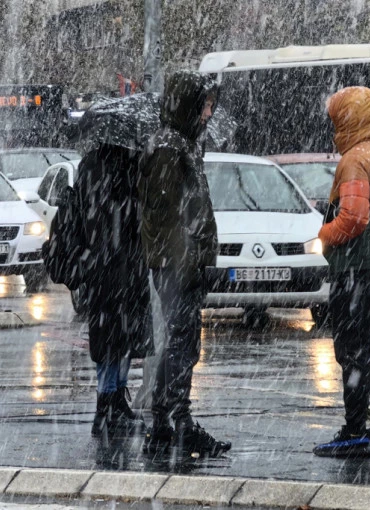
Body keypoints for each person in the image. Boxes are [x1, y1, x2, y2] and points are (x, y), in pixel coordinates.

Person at [139, 70, 231, 459]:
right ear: (187, 106)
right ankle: (178, 422)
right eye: (204, 106)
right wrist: (189, 262)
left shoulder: (183, 145)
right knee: (182, 343)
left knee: (181, 342)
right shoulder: (169, 149)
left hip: (182, 264)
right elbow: (167, 218)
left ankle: (166, 422)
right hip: (177, 266)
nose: (208, 113)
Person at [313, 86, 370, 458]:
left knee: (353, 351)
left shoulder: (353, 160)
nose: (334, 128)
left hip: (355, 268)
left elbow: (353, 217)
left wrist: (324, 235)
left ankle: (354, 432)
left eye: (337, 121)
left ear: (348, 120)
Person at [73, 142, 154, 439]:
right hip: (113, 266)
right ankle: (108, 404)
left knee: (120, 337)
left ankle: (114, 400)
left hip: (115, 266)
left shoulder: (100, 163)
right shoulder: (115, 165)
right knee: (114, 337)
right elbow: (112, 216)